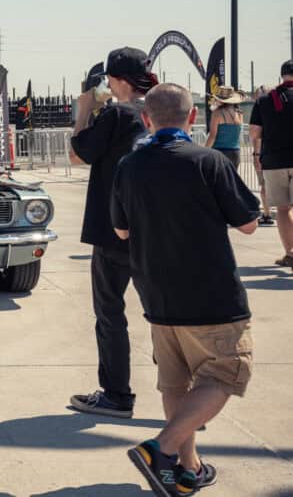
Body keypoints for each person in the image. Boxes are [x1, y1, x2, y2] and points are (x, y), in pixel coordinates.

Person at [112, 83, 258, 496]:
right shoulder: (209, 162)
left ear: (147, 119)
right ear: (192, 118)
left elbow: (120, 229)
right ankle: (162, 448)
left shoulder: (129, 165)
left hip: (157, 295)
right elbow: (248, 223)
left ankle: (187, 471)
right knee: (227, 373)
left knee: (176, 385)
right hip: (211, 295)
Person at [68, 46, 157, 418]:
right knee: (165, 316)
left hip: (111, 229)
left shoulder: (116, 114)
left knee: (109, 312)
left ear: (116, 80)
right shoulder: (158, 111)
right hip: (154, 229)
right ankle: (184, 400)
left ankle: (117, 395)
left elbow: (77, 154)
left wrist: (85, 109)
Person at [249, 60, 293, 268]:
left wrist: (257, 154)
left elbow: (255, 133)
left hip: (274, 161)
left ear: (282, 76)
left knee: (283, 209)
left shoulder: (265, 100)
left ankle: (290, 253)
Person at [205, 86, 247, 167]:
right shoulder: (239, 114)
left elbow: (212, 136)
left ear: (220, 100)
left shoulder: (217, 113)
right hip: (235, 153)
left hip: (220, 153)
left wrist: (204, 151)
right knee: (231, 179)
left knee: (217, 179)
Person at [253, 85, 275, 226]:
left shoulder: (261, 110)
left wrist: (256, 155)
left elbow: (256, 136)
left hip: (265, 155)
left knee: (264, 187)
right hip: (277, 155)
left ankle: (267, 214)